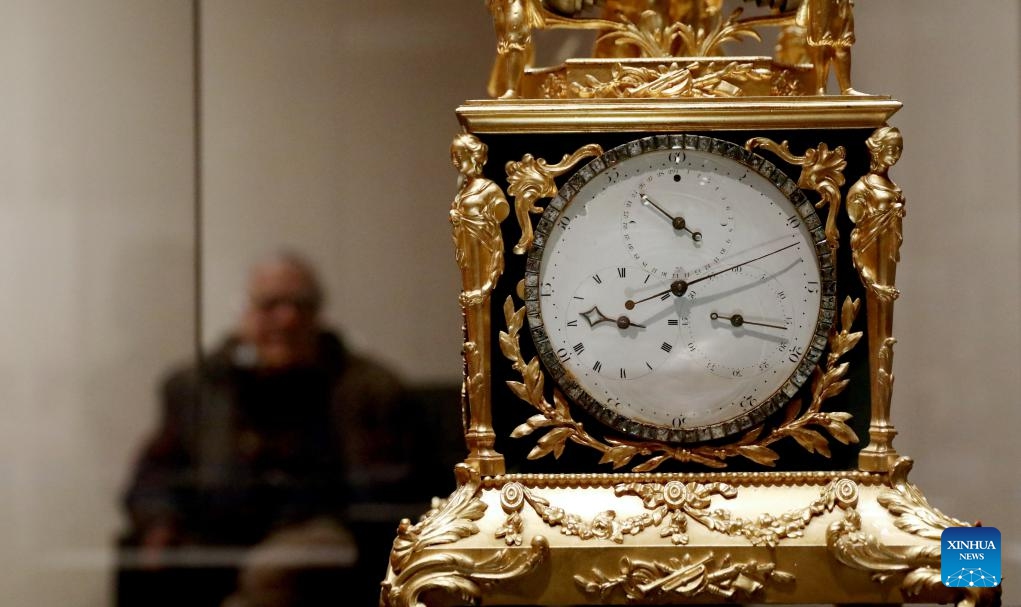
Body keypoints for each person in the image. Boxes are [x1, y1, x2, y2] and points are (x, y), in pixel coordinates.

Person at [122, 252, 409, 607]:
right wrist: (159, 521)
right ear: (245, 313)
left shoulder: (369, 389)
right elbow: (154, 475)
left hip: (327, 542)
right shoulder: (197, 388)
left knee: (280, 568)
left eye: (301, 305)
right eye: (271, 305)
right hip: (218, 539)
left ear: (318, 314)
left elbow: (390, 493)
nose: (287, 319)